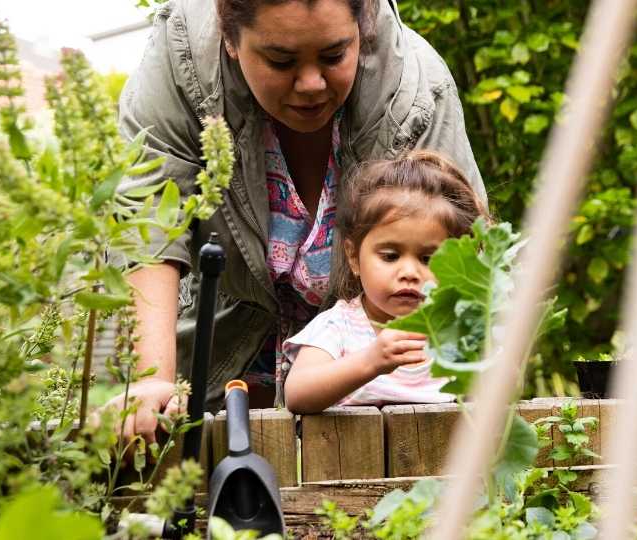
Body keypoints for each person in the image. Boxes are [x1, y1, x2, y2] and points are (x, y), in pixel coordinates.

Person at [107, 0, 486, 444]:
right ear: (230, 40)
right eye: (281, 60)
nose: (310, 84)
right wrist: (152, 379)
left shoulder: (415, 89)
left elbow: (465, 256)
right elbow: (146, 217)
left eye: (333, 55)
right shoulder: (181, 64)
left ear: (360, 30)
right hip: (223, 349)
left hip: (374, 410)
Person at [283, 151, 487, 413]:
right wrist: (370, 360)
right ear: (354, 257)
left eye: (428, 259)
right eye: (391, 256)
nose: (410, 272)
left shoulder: (458, 331)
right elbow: (297, 394)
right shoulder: (338, 327)